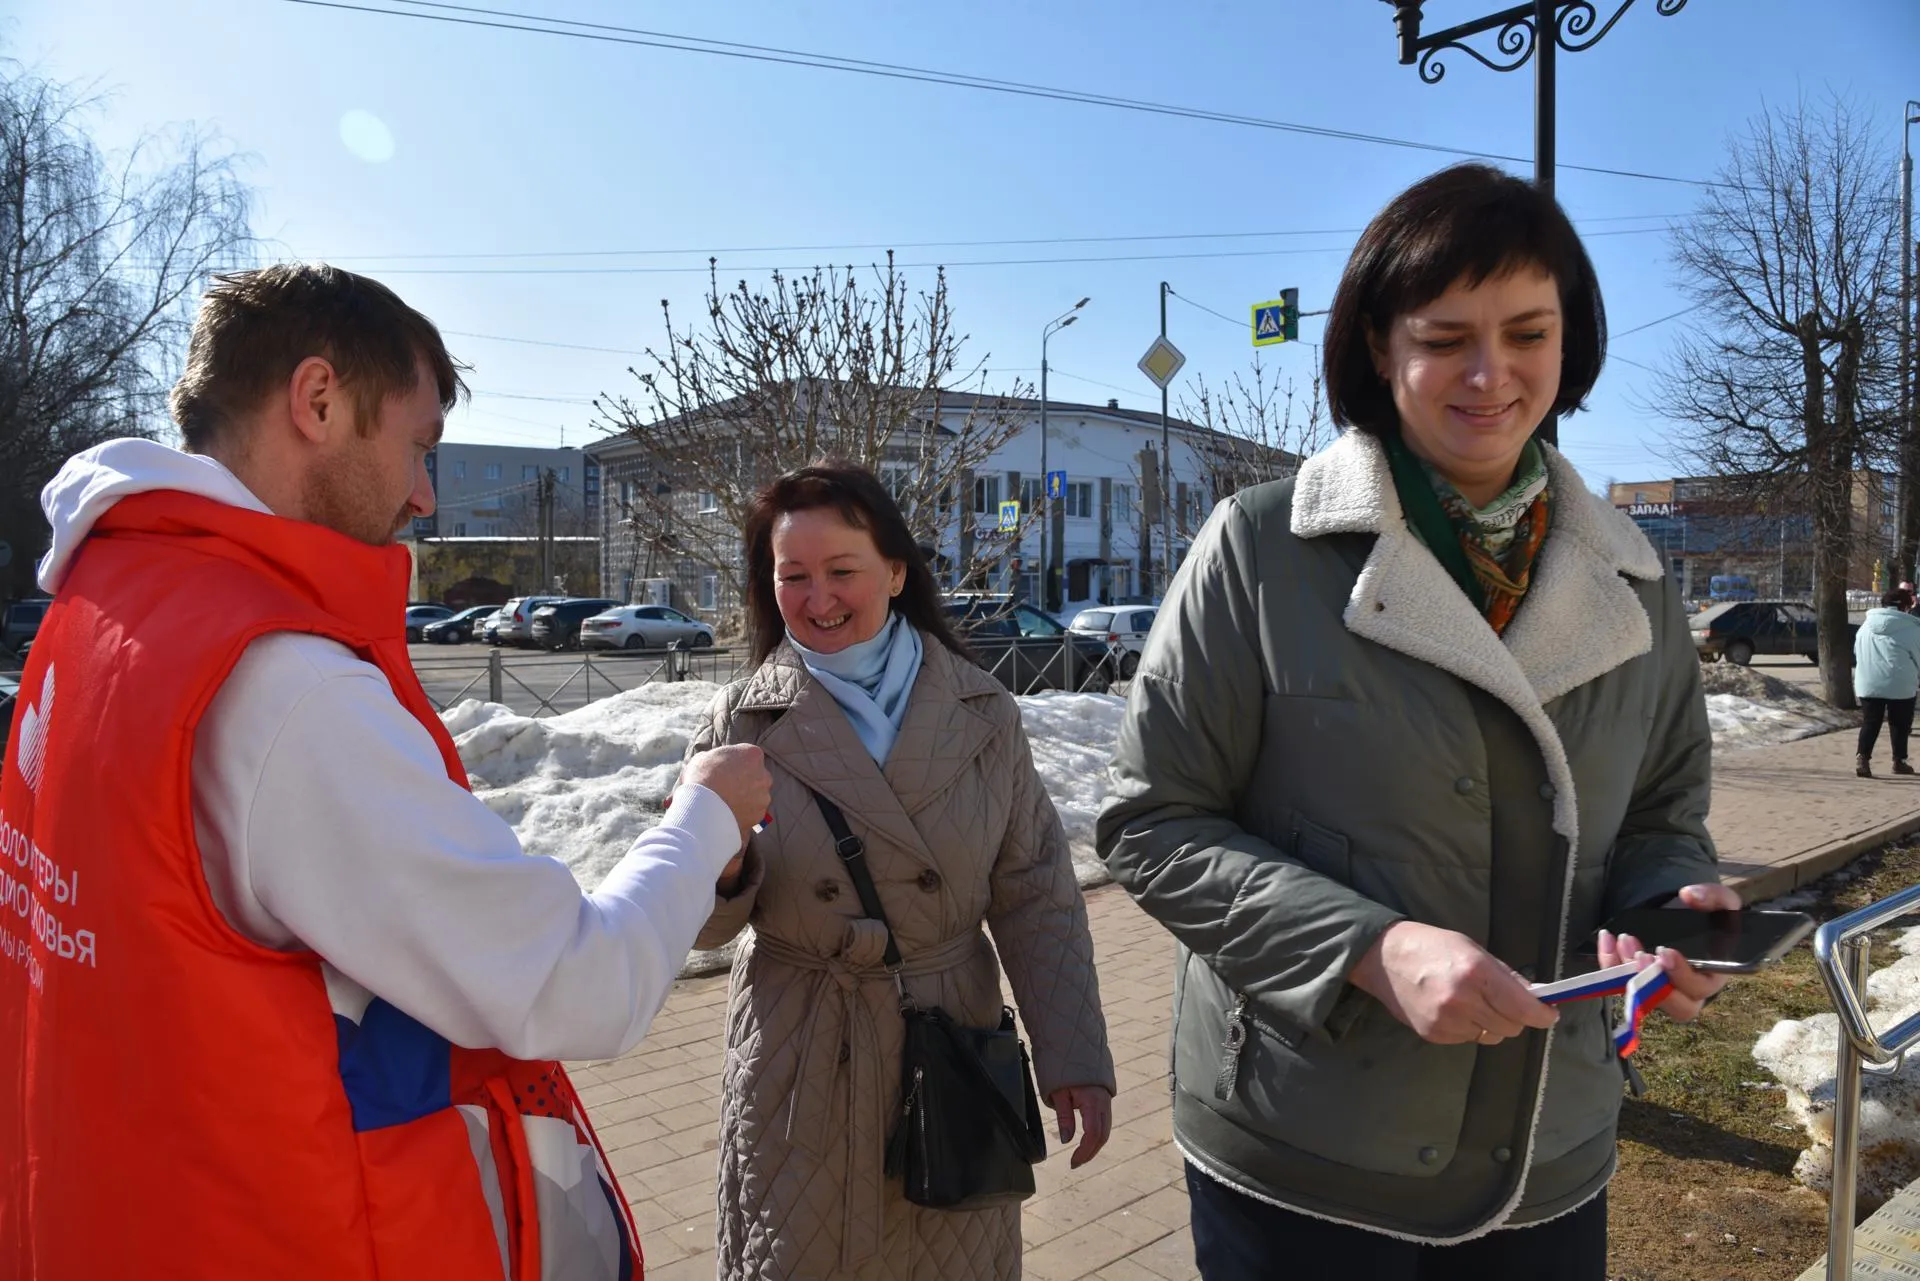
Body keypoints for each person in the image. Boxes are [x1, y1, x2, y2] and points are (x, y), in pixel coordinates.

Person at [0, 264, 772, 1279]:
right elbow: (574, 983)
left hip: (122, 1210)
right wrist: (706, 814)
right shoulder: (284, 687)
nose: (425, 495)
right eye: (417, 446)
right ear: (318, 401)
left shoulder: (103, 609)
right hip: (273, 1230)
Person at [1096, 163, 1735, 1281]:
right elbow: (1152, 826)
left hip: (1551, 1143)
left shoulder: (1638, 585)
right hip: (1307, 1155)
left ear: (1570, 343)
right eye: (1447, 338)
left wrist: (1668, 907)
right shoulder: (1260, 550)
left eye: (1529, 333)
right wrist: (1367, 947)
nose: (1493, 375)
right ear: (1380, 349)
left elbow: (1666, 807)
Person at [690, 462, 1116, 1279]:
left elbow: (1037, 895)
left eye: (842, 571)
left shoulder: (983, 714)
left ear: (895, 570)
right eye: (793, 576)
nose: (818, 600)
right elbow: (704, 927)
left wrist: (1076, 1061)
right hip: (798, 1055)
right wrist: (725, 861)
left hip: (948, 1044)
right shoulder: (739, 719)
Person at [1853, 588, 1920, 777]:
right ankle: (1899, 761)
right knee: (1899, 723)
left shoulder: (1865, 626)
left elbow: (1857, 652)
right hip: (1901, 683)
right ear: (1905, 607)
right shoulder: (1912, 629)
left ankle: (1863, 757)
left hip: (1868, 682)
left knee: (1871, 721)